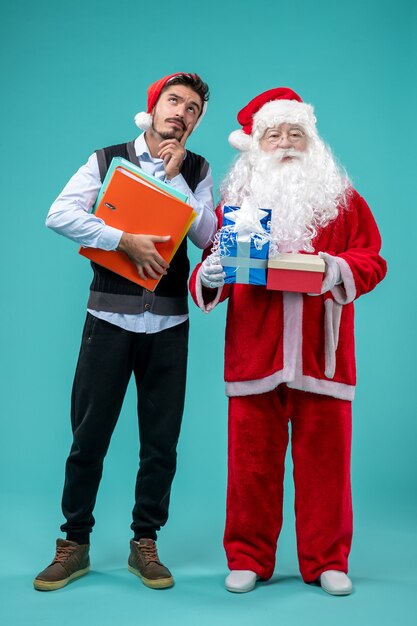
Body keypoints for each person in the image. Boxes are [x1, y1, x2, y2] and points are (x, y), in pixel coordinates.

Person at [189, 87, 387, 595]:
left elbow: (372, 258)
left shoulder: (342, 200)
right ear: (256, 144)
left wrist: (333, 268)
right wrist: (210, 272)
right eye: (273, 134)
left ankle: (327, 560)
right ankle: (250, 557)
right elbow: (212, 278)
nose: (285, 143)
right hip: (256, 353)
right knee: (250, 466)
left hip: (325, 356)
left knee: (326, 466)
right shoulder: (239, 204)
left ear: (313, 141)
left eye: (295, 133)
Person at [34, 72, 216, 592]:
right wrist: (122, 239)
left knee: (161, 441)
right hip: (108, 321)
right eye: (174, 101)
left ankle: (145, 542)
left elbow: (208, 237)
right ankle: (74, 542)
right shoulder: (106, 159)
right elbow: (59, 215)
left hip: (170, 324)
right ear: (153, 107)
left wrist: (179, 178)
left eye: (193, 109)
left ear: (197, 122)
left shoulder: (198, 169)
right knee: (88, 435)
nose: (181, 113)